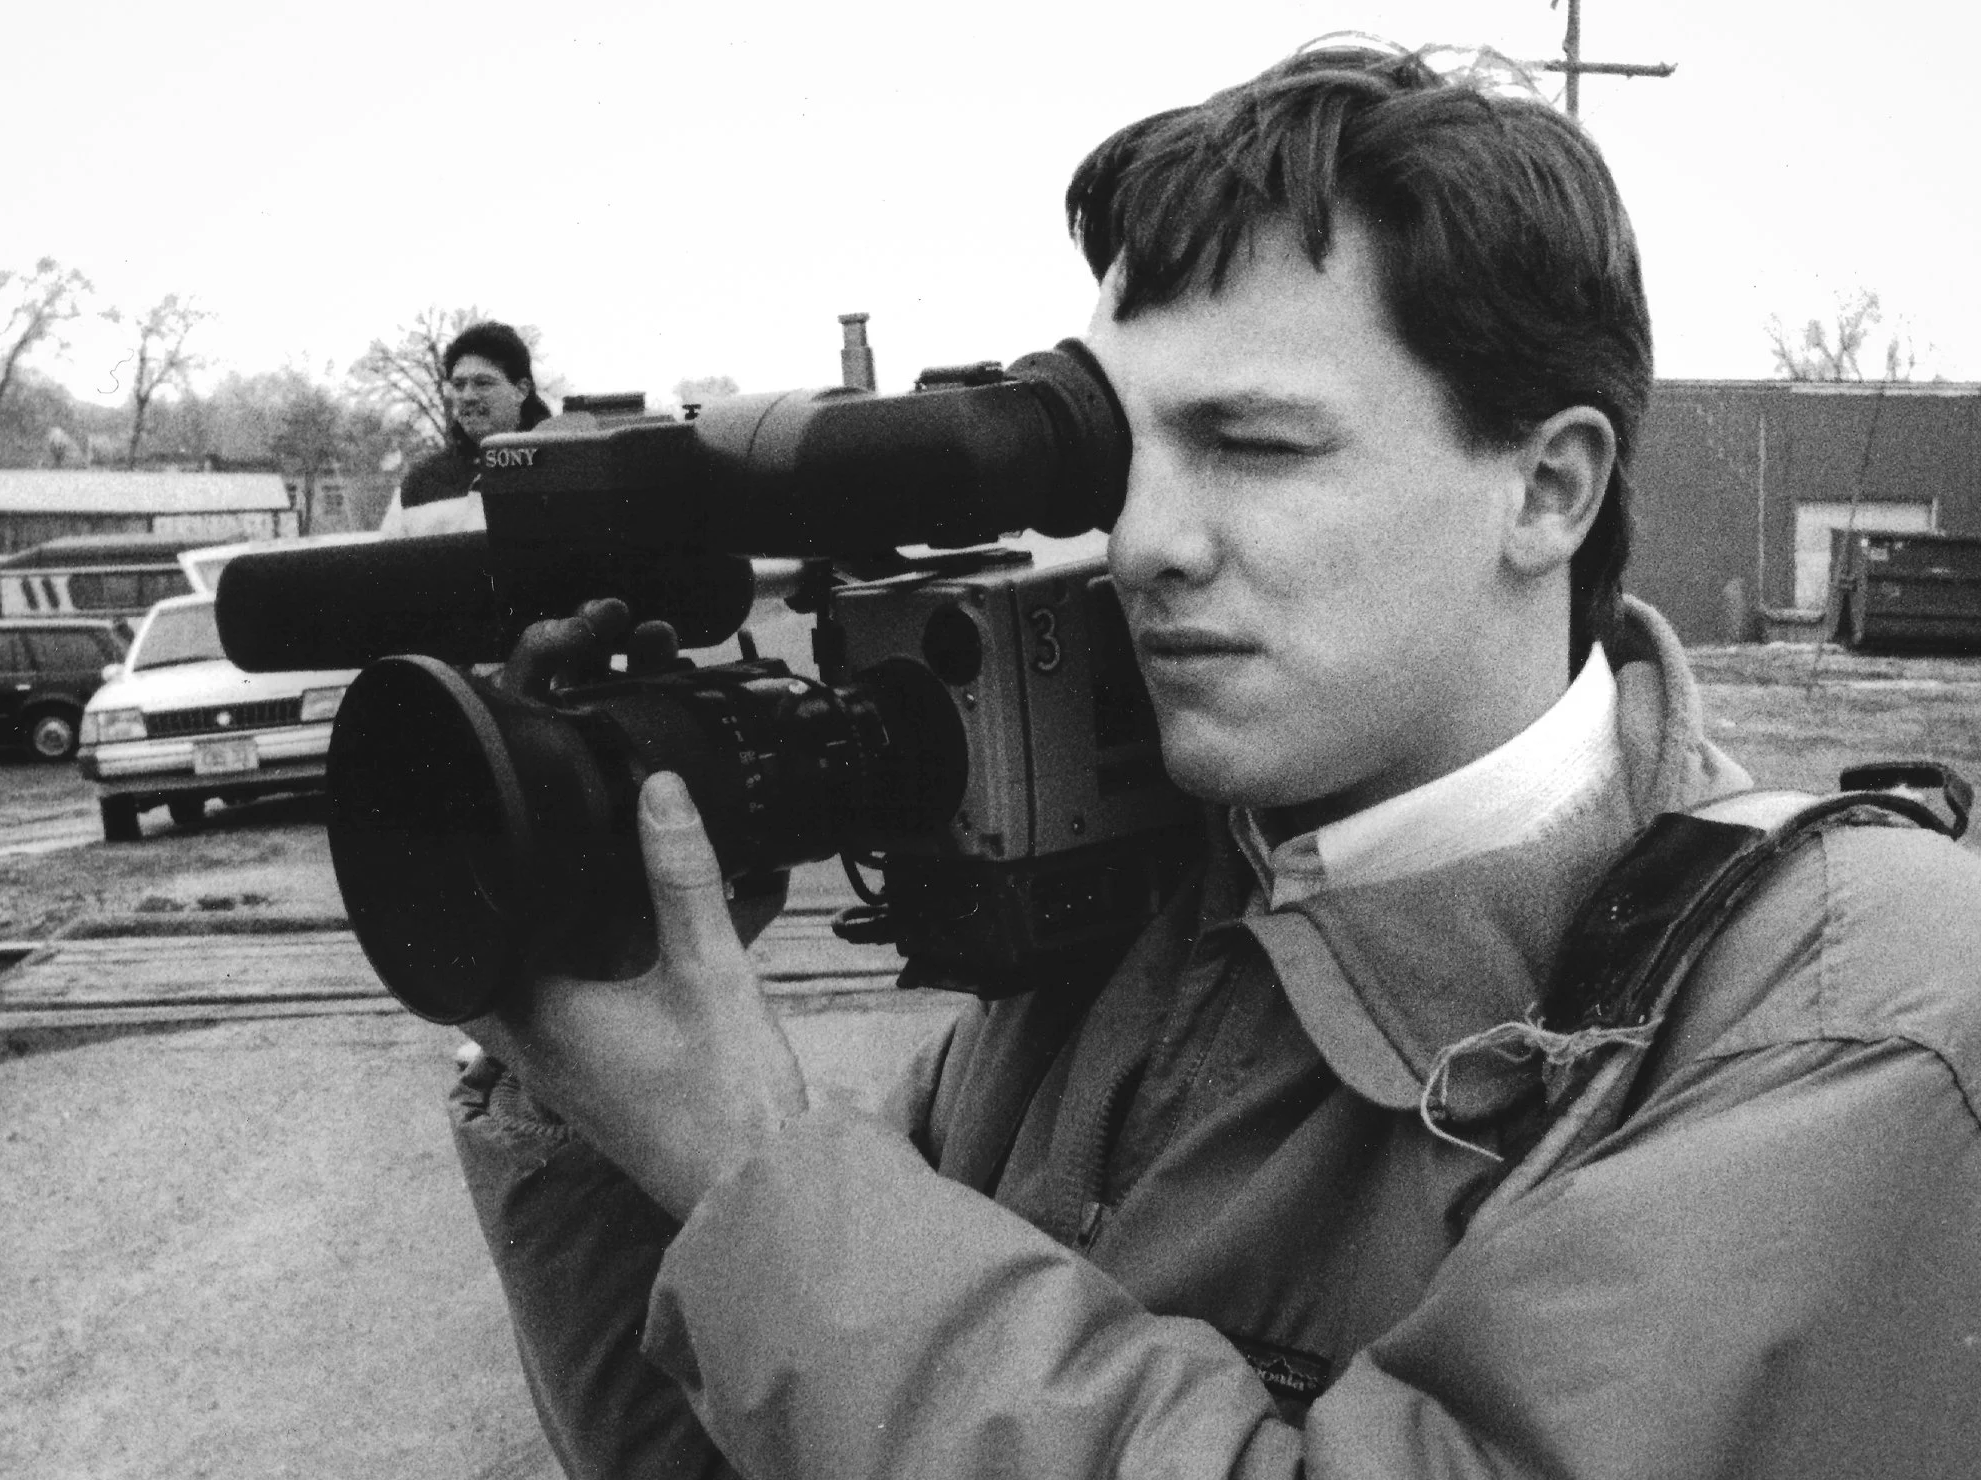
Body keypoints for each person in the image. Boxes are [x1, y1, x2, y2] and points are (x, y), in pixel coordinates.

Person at [448, 42, 1981, 1479]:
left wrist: (752, 1168)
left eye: (1253, 446)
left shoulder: (1846, 1003)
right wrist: (580, 1075)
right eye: (1125, 459)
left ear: (1548, 488)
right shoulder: (1143, 917)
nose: (1141, 546)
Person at [380, 320, 551, 537]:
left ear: (521, 390)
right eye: (459, 385)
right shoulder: (418, 488)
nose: (468, 396)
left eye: (483, 383)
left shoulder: (563, 468)